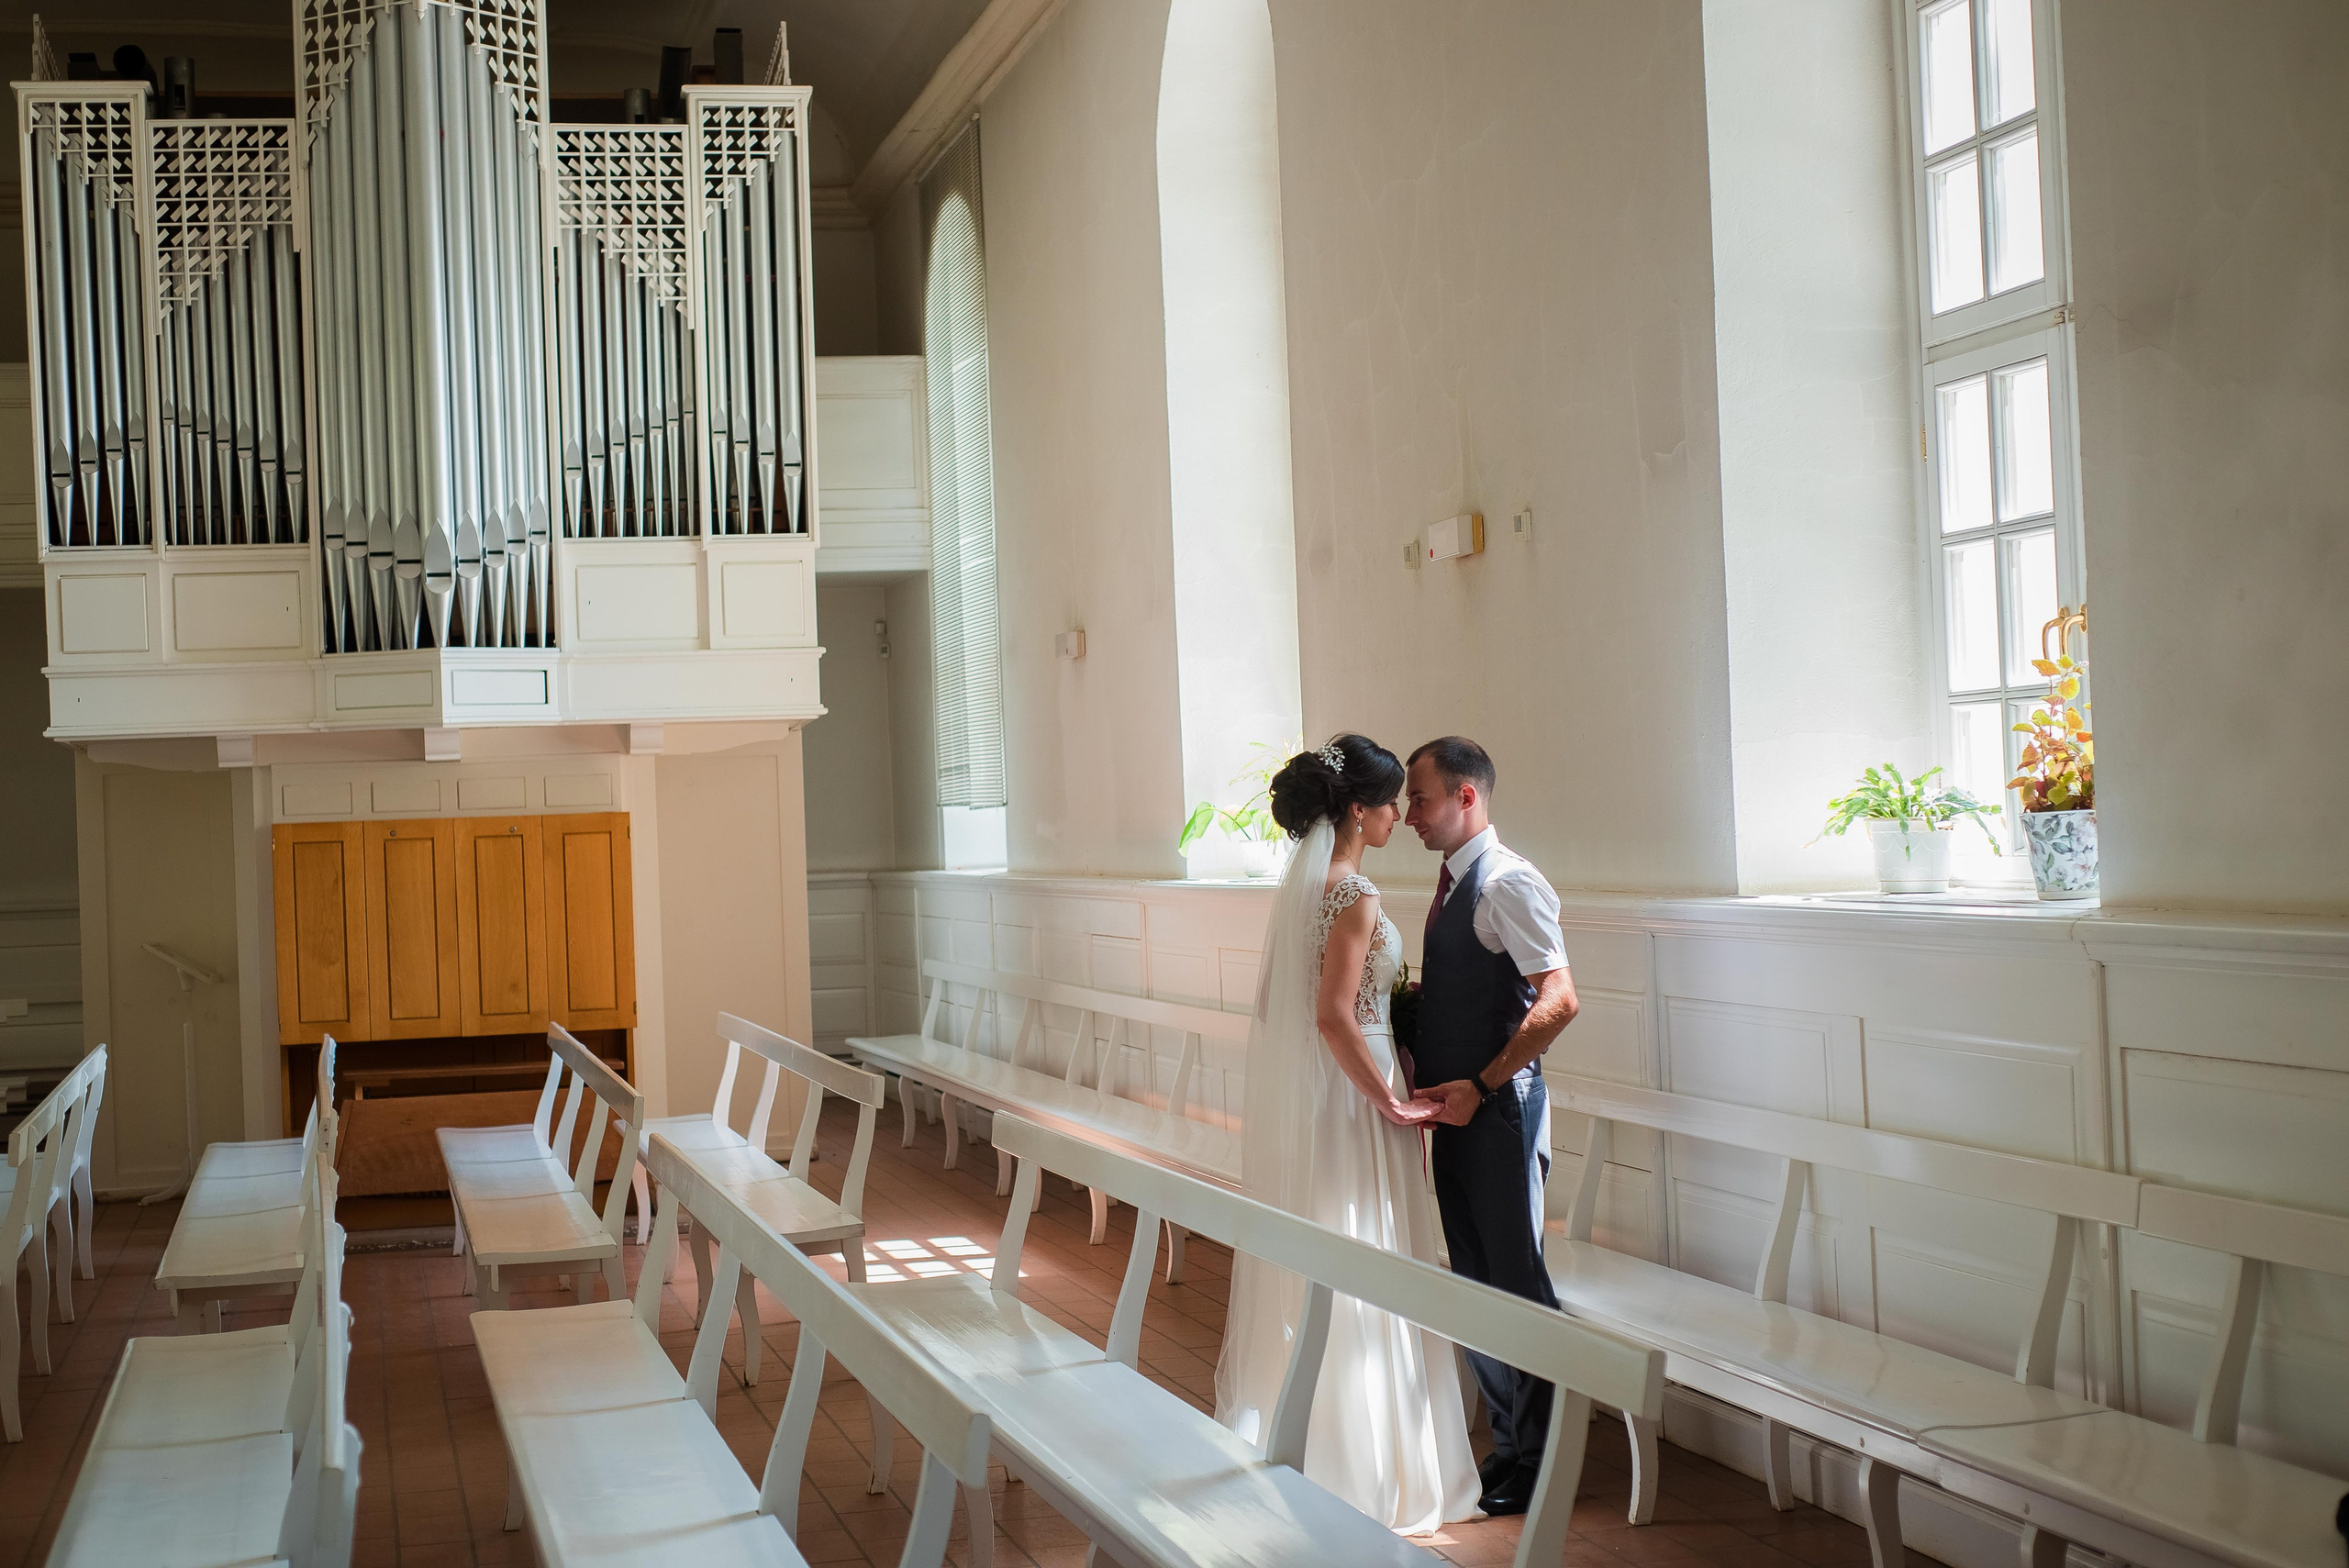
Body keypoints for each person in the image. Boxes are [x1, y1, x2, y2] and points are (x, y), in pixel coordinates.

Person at [1211, 734, 1484, 1534]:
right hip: (1355, 1097)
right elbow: (1333, 1015)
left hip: (1322, 1098)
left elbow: (1282, 1010)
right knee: (1366, 1250)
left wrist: (1387, 1038)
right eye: (1393, 799)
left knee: (1332, 1252)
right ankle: (1371, 1469)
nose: (1401, 812)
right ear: (1360, 810)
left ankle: (1310, 1441)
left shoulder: (1302, 890)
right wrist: (1391, 1100)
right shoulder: (1354, 890)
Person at [1404, 736, 1579, 1518]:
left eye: (1421, 797)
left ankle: (1542, 1460)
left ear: (1466, 796)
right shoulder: (1453, 884)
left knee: (1517, 1283)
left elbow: (1560, 1000)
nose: (1411, 813)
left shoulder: (1508, 882)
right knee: (1474, 1278)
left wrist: (1482, 1082)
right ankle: (1510, 1448)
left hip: (1500, 1110)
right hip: (1458, 1114)